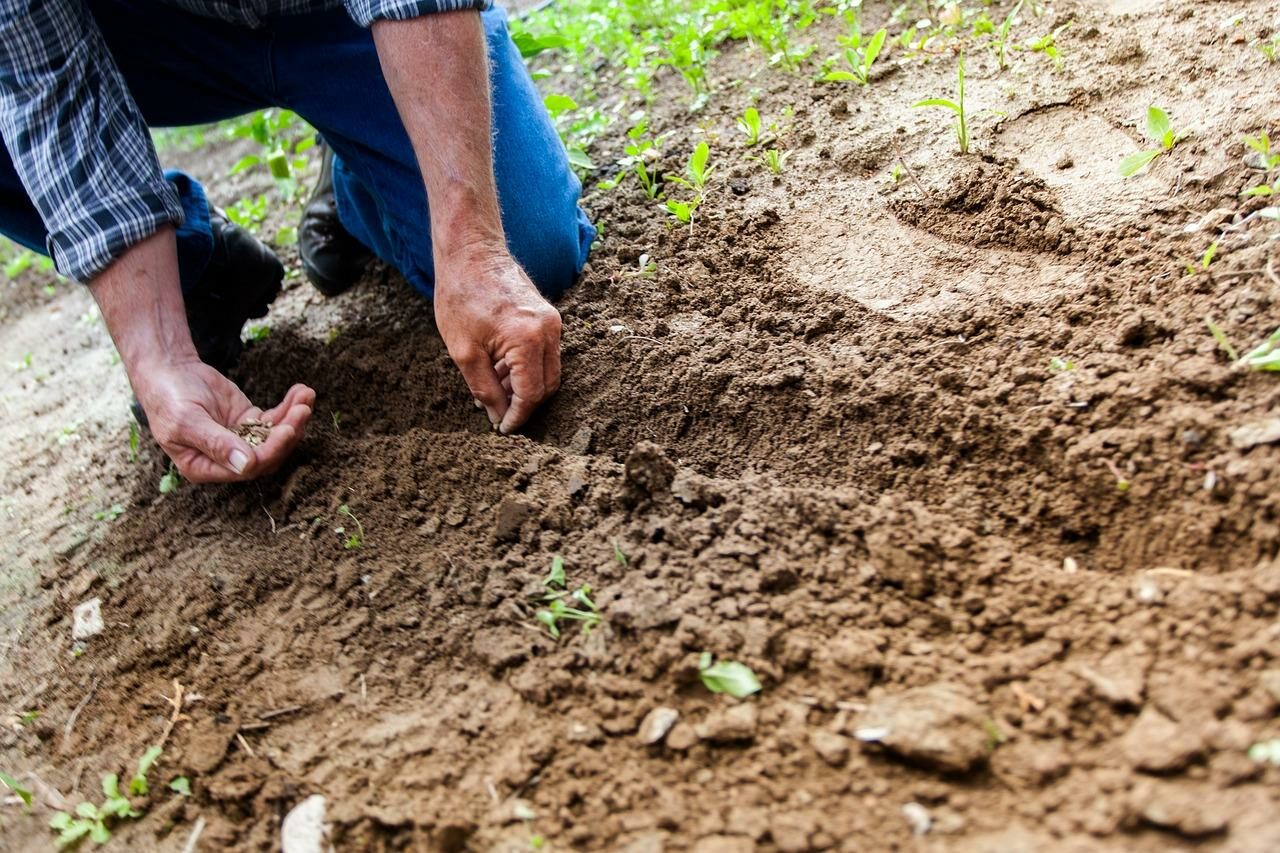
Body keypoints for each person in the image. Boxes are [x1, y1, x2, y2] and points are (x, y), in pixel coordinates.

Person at [0, 0, 594, 483]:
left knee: (530, 250)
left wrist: (473, 248)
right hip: (151, 35)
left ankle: (357, 176)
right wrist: (159, 356)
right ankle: (192, 272)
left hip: (343, 18)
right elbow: (44, 84)